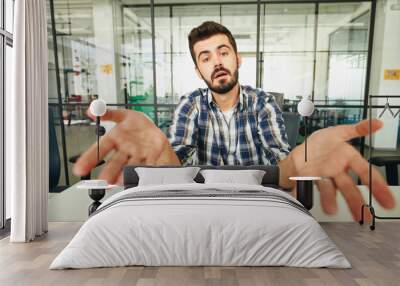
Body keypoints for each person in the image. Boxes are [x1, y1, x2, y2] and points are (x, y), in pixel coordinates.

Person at [73, 21, 395, 221]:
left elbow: (276, 162)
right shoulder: (190, 104)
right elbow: (178, 158)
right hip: (199, 206)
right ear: (199, 70)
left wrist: (298, 161)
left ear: (237, 58)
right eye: (206, 57)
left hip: (256, 204)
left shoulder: (263, 103)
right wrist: (162, 151)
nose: (217, 63)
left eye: (223, 52)